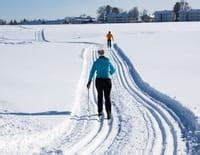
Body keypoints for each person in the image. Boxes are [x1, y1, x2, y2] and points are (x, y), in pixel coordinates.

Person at [87, 49, 116, 119]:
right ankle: (108, 112)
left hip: (99, 81)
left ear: (98, 54)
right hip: (107, 80)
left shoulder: (96, 62)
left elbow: (92, 72)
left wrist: (89, 81)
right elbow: (113, 70)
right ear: (104, 54)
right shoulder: (108, 61)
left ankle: (100, 112)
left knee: (100, 96)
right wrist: (110, 73)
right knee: (107, 97)